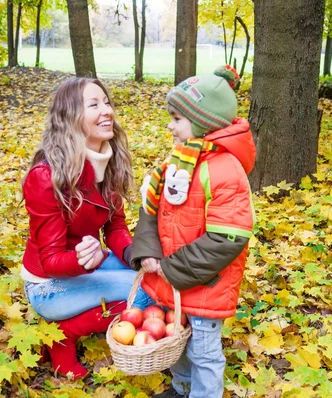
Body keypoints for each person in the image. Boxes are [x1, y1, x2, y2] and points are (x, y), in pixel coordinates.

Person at [131, 66, 256, 398]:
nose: (169, 125)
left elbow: (227, 238)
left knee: (202, 352)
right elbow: (151, 210)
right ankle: (180, 388)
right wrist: (148, 251)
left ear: (203, 121)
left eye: (177, 118)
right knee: (177, 343)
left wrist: (170, 268)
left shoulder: (224, 170)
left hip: (204, 286)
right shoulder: (179, 160)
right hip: (173, 282)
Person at [21, 77, 152, 379]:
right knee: (144, 294)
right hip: (48, 285)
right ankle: (63, 333)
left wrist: (137, 256)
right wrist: (81, 260)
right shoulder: (46, 176)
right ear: (70, 118)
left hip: (90, 264)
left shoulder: (109, 163)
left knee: (152, 280)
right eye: (93, 105)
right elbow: (50, 260)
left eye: (106, 102)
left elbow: (115, 226)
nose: (106, 110)